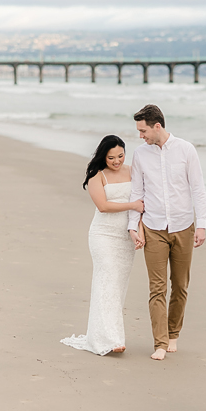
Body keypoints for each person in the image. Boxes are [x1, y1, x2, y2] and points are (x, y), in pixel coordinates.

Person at [128, 105, 206, 361]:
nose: (140, 136)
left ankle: (173, 333)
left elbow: (198, 189)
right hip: (154, 228)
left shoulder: (186, 150)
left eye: (143, 130)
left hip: (183, 226)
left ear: (157, 126)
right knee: (157, 288)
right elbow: (137, 192)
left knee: (180, 286)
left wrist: (202, 223)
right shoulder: (140, 154)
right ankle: (160, 343)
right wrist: (133, 226)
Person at [61, 135, 145, 355]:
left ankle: (104, 334)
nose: (117, 161)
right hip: (103, 235)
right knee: (106, 282)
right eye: (111, 157)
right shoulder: (96, 176)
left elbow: (142, 206)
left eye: (120, 156)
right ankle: (111, 340)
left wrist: (138, 231)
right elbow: (103, 206)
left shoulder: (133, 171)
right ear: (103, 156)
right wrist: (133, 205)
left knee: (118, 286)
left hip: (126, 238)